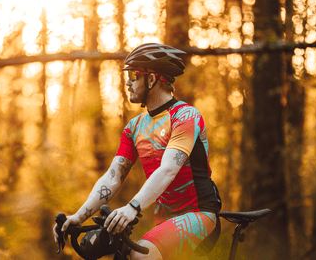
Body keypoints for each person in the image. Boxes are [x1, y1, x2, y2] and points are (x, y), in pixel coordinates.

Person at [53, 43, 222, 259]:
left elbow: (169, 169)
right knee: (124, 253)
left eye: (134, 75)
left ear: (151, 79)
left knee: (141, 256)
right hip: (164, 221)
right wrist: (79, 216)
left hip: (200, 215)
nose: (128, 82)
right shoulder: (134, 126)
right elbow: (113, 177)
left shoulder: (186, 116)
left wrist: (132, 206)